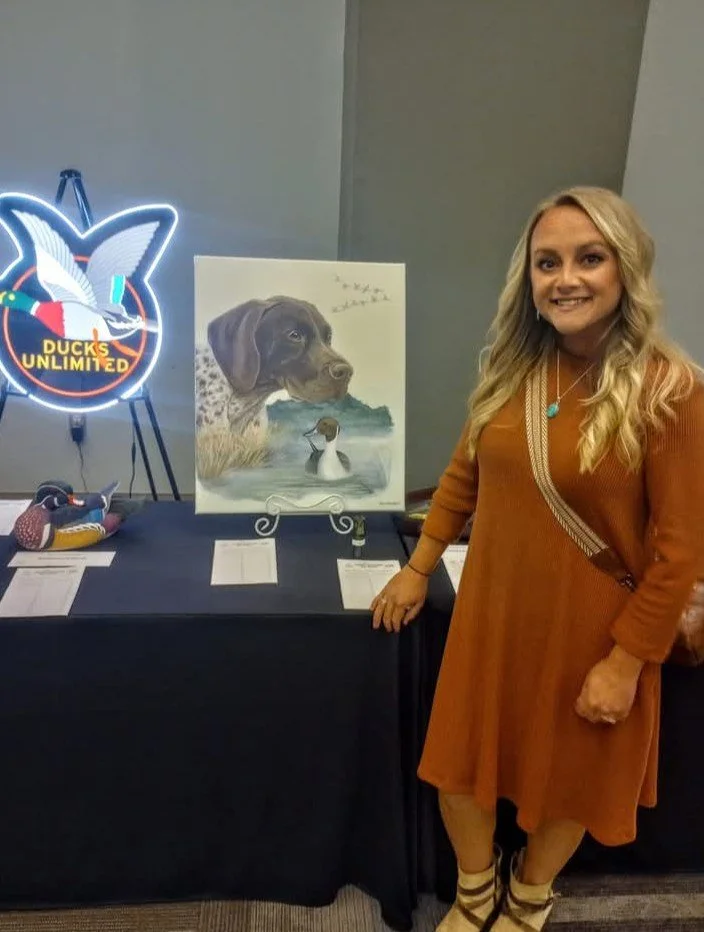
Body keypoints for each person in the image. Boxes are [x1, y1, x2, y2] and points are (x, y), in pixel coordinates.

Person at [370, 186, 704, 931]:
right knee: (459, 768)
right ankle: (476, 887)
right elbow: (462, 477)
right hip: (493, 614)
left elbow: (681, 551)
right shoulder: (514, 370)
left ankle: (530, 893)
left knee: (566, 779)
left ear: (626, 269)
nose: (565, 279)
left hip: (594, 629)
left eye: (590, 258)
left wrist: (626, 661)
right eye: (546, 262)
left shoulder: (671, 391)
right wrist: (419, 566)